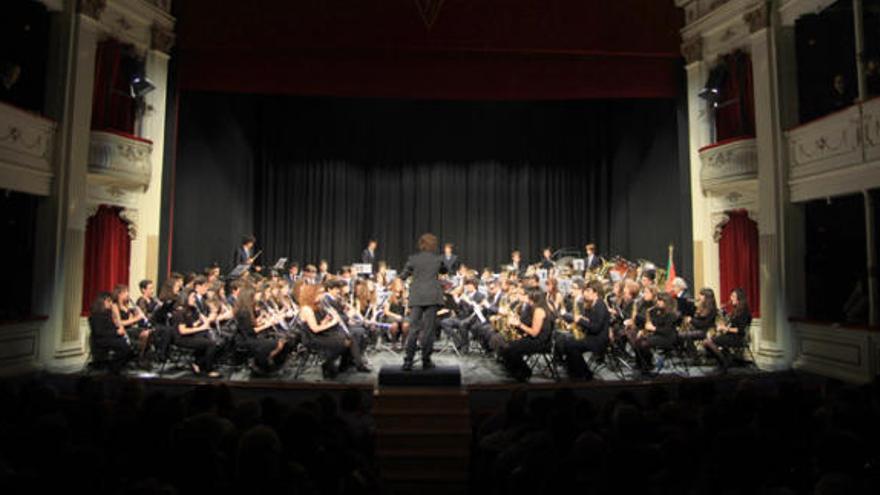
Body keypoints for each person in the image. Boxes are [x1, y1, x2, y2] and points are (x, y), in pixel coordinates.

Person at [399, 233, 447, 371]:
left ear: (421, 244)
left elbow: (403, 276)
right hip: (432, 296)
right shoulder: (438, 259)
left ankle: (408, 361)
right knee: (428, 330)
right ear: (434, 245)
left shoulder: (413, 259)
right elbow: (444, 270)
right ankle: (426, 361)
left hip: (417, 296)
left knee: (413, 329)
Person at [500, 288, 554, 382]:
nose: (528, 301)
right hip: (536, 339)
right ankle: (517, 371)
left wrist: (519, 324)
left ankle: (524, 372)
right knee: (507, 345)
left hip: (541, 343)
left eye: (530, 299)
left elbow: (534, 333)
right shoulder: (540, 308)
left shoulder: (539, 311)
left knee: (510, 348)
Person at [561, 280, 610, 380]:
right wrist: (582, 320)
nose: (585, 293)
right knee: (566, 341)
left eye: (588, 291)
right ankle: (574, 371)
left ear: (595, 292)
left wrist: (580, 320)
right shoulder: (590, 305)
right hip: (591, 336)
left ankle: (585, 373)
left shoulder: (600, 305)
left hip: (599, 340)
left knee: (571, 344)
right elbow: (589, 322)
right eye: (585, 291)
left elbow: (596, 328)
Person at [235, 287, 289, 373]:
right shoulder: (243, 313)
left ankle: (268, 361)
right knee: (278, 343)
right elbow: (251, 331)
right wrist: (267, 325)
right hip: (246, 339)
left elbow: (252, 325)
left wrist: (262, 320)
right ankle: (264, 362)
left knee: (282, 341)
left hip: (252, 337)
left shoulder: (247, 311)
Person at [172, 288, 221, 377]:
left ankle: (198, 363)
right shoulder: (180, 312)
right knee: (211, 344)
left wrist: (201, 321)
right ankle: (207, 369)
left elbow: (192, 325)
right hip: (182, 338)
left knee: (209, 338)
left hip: (190, 334)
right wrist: (201, 328)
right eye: (193, 297)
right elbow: (182, 331)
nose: (195, 300)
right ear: (186, 298)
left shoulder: (191, 310)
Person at [703, 287, 752, 371]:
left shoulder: (744, 312)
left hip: (738, 338)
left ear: (739, 298)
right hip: (731, 336)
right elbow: (732, 325)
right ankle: (725, 360)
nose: (730, 298)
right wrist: (724, 326)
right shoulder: (737, 310)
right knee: (707, 342)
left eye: (733, 296)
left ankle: (723, 362)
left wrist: (724, 328)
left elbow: (739, 330)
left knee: (707, 342)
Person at [88, 292, 134, 373]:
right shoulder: (96, 315)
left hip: (109, 337)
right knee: (123, 346)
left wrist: (118, 328)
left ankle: (117, 366)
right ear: (102, 301)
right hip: (101, 340)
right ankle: (114, 368)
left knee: (128, 344)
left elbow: (112, 326)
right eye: (109, 301)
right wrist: (117, 332)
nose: (111, 304)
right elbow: (100, 332)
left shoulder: (107, 313)